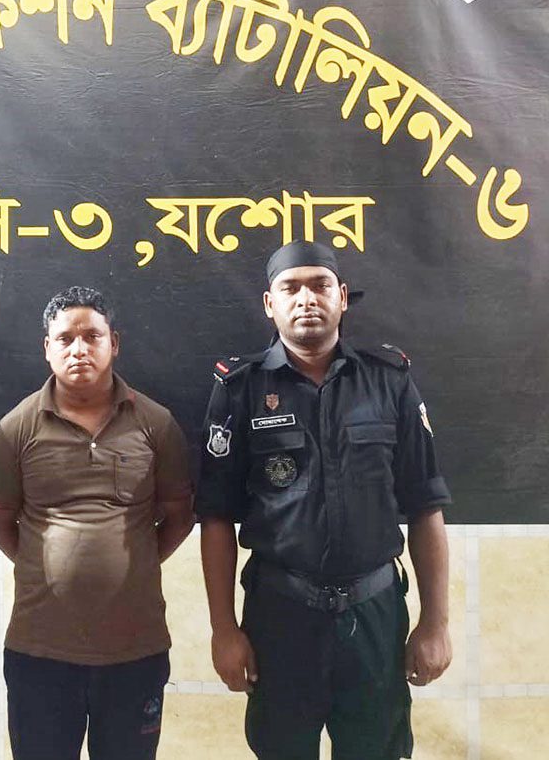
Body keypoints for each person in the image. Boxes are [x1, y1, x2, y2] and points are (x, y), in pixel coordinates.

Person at [197, 241, 452, 760]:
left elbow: (426, 506)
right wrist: (224, 629)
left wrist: (436, 623)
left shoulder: (389, 381)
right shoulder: (240, 388)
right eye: (290, 288)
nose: (306, 298)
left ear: (342, 297)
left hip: (374, 612)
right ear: (269, 303)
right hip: (279, 617)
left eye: (320, 286)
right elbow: (216, 518)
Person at [0, 286, 195, 760]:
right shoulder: (14, 429)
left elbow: (180, 516)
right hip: (40, 651)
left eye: (92, 337)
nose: (78, 349)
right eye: (65, 339)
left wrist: (136, 562)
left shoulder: (157, 424)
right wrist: (42, 565)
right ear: (47, 348)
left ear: (113, 343)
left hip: (135, 651)